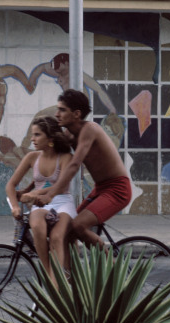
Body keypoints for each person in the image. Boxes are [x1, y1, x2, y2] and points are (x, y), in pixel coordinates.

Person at [35, 89, 132, 253]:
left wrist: (50, 195)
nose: (57, 114)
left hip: (117, 189)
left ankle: (113, 271)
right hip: (100, 189)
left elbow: (74, 165)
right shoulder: (69, 135)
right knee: (66, 230)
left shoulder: (89, 129)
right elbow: (50, 159)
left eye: (62, 110)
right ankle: (71, 277)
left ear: (77, 114)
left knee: (78, 224)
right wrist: (31, 188)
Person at [6, 116, 75, 283]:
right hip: (39, 205)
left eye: (37, 135)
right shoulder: (32, 157)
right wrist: (15, 207)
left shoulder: (65, 157)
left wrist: (34, 194)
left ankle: (56, 282)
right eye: (32, 134)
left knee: (58, 238)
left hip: (63, 201)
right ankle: (48, 273)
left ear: (50, 138)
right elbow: (11, 185)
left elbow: (60, 184)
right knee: (37, 225)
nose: (32, 139)